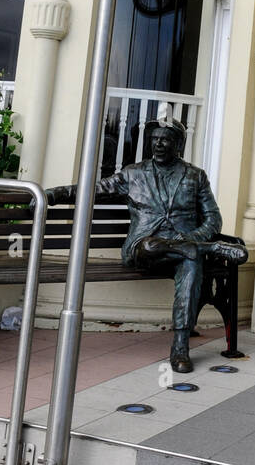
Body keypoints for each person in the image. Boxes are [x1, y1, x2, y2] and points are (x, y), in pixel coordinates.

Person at [47, 120, 222, 374]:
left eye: (165, 139)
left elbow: (213, 218)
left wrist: (195, 237)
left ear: (179, 145)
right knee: (155, 246)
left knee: (191, 262)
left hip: (183, 249)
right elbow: (93, 190)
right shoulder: (133, 174)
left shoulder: (195, 176)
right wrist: (56, 194)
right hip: (143, 249)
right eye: (154, 139)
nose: (158, 144)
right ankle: (204, 249)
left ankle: (180, 346)